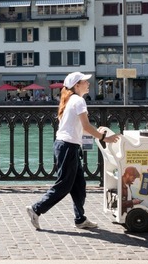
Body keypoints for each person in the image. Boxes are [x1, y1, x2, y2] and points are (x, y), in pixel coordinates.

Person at [26, 72, 117, 231]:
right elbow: (87, 127)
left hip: (66, 146)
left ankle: (80, 219)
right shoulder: (79, 101)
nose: (88, 84)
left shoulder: (69, 100)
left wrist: (98, 132)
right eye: (85, 82)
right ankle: (36, 209)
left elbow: (81, 128)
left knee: (79, 185)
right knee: (64, 185)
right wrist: (103, 137)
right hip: (68, 147)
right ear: (77, 85)